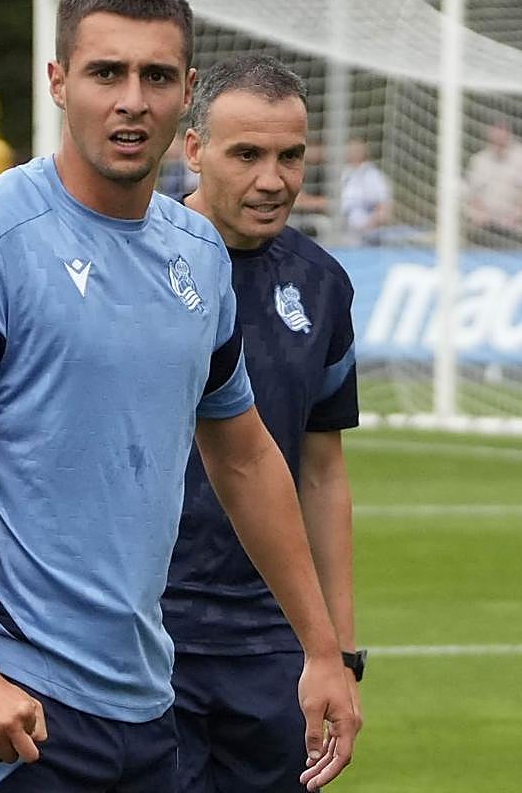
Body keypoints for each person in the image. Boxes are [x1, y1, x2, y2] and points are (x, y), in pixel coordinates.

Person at [0, 0, 357, 793]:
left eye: (156, 76)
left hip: (147, 704)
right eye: (108, 73)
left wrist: (322, 649)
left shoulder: (199, 255)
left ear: (187, 93)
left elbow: (246, 458)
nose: (132, 100)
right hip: (15, 702)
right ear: (59, 81)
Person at [164, 55, 363, 793]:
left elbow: (322, 470)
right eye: (246, 154)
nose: (273, 179)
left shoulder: (322, 284)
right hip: (147, 633)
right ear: (194, 150)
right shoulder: (134, 261)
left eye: (290, 156)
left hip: (276, 644)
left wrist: (339, 652)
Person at [465, 117, 522, 247]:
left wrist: (515, 216)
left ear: (509, 132)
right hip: (485, 225)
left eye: (502, 130)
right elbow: (472, 193)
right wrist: (481, 216)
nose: (498, 135)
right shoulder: (479, 160)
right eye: (495, 130)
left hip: (517, 225)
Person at [339, 137, 391, 244]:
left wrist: (368, 225)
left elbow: (384, 207)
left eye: (357, 150)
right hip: (341, 231)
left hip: (367, 234)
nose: (353, 153)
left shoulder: (373, 176)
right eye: (351, 149)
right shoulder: (343, 173)